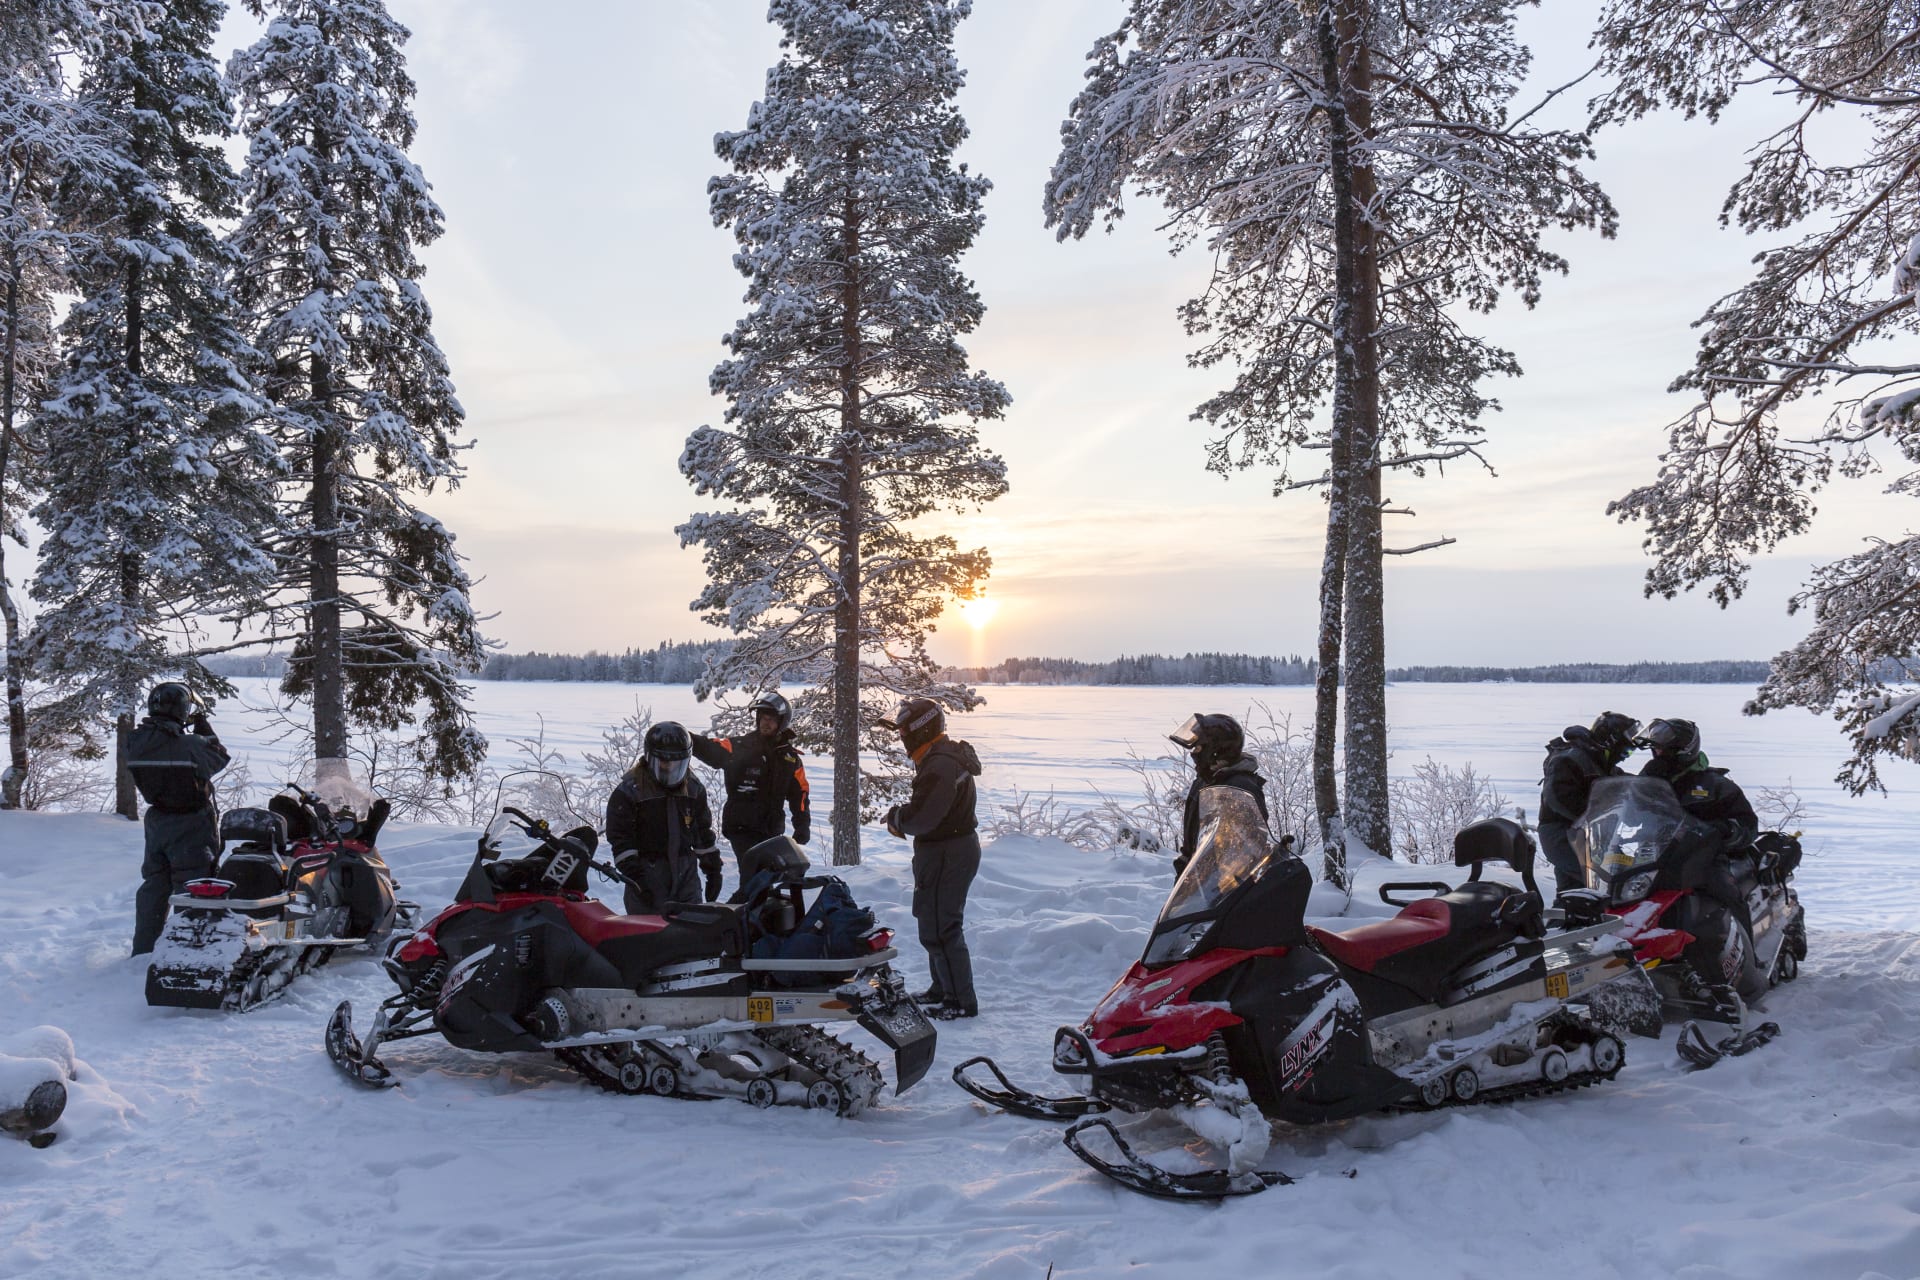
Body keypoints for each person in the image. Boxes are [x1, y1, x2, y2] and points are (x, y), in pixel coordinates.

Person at [881, 697, 981, 1021]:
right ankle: (943, 989)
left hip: (948, 852)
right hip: (946, 850)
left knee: (943, 927)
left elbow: (926, 816)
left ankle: (960, 1001)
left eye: (903, 730)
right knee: (932, 921)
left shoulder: (939, 764)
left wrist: (899, 818)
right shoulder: (940, 757)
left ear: (920, 729)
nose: (901, 737)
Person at [126, 682, 231, 955]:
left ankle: (144, 950)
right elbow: (219, 758)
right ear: (182, 710)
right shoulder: (190, 744)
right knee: (193, 886)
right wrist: (204, 728)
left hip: (157, 822)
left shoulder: (136, 742)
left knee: (154, 885)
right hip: (191, 822)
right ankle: (188, 951)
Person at [1639, 716, 1759, 931]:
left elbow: (1747, 824)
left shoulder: (1715, 785)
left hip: (1701, 858)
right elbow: (1628, 810)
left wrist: (1726, 830)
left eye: (1662, 750)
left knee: (1724, 891)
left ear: (1681, 750)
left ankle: (1747, 956)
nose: (1657, 754)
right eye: (1655, 749)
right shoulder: (1649, 779)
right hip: (1651, 855)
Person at [605, 721, 723, 915]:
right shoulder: (629, 792)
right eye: (664, 761)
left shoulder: (693, 790)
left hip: (686, 877)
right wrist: (636, 878)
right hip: (647, 877)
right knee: (648, 939)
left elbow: (701, 833)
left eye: (677, 763)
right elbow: (621, 838)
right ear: (650, 758)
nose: (670, 768)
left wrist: (713, 869)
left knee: (692, 934)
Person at [690, 692, 810, 873]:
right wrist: (686, 737)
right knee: (754, 876)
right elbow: (710, 748)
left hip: (771, 828)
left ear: (781, 722)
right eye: (762, 718)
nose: (765, 722)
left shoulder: (790, 759)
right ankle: (744, 900)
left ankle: (746, 901)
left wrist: (802, 825)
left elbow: (800, 794)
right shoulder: (740, 746)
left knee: (768, 878)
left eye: (770, 719)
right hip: (741, 826)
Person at [1536, 711, 1640, 896]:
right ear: (1611, 742)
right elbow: (1558, 797)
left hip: (1583, 834)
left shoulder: (1598, 761)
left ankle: (1565, 920)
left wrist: (1648, 789)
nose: (1625, 756)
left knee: (1574, 891)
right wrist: (1595, 815)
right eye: (1626, 751)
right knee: (1603, 881)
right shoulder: (1569, 758)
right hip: (1561, 833)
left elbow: (1623, 782)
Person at [1168, 714, 1268, 878]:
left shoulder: (1240, 789)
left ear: (1215, 750)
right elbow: (1192, 843)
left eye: (1198, 748)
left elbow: (1248, 849)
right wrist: (1184, 869)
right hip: (1196, 885)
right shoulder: (1203, 782)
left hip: (1226, 886)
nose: (1194, 754)